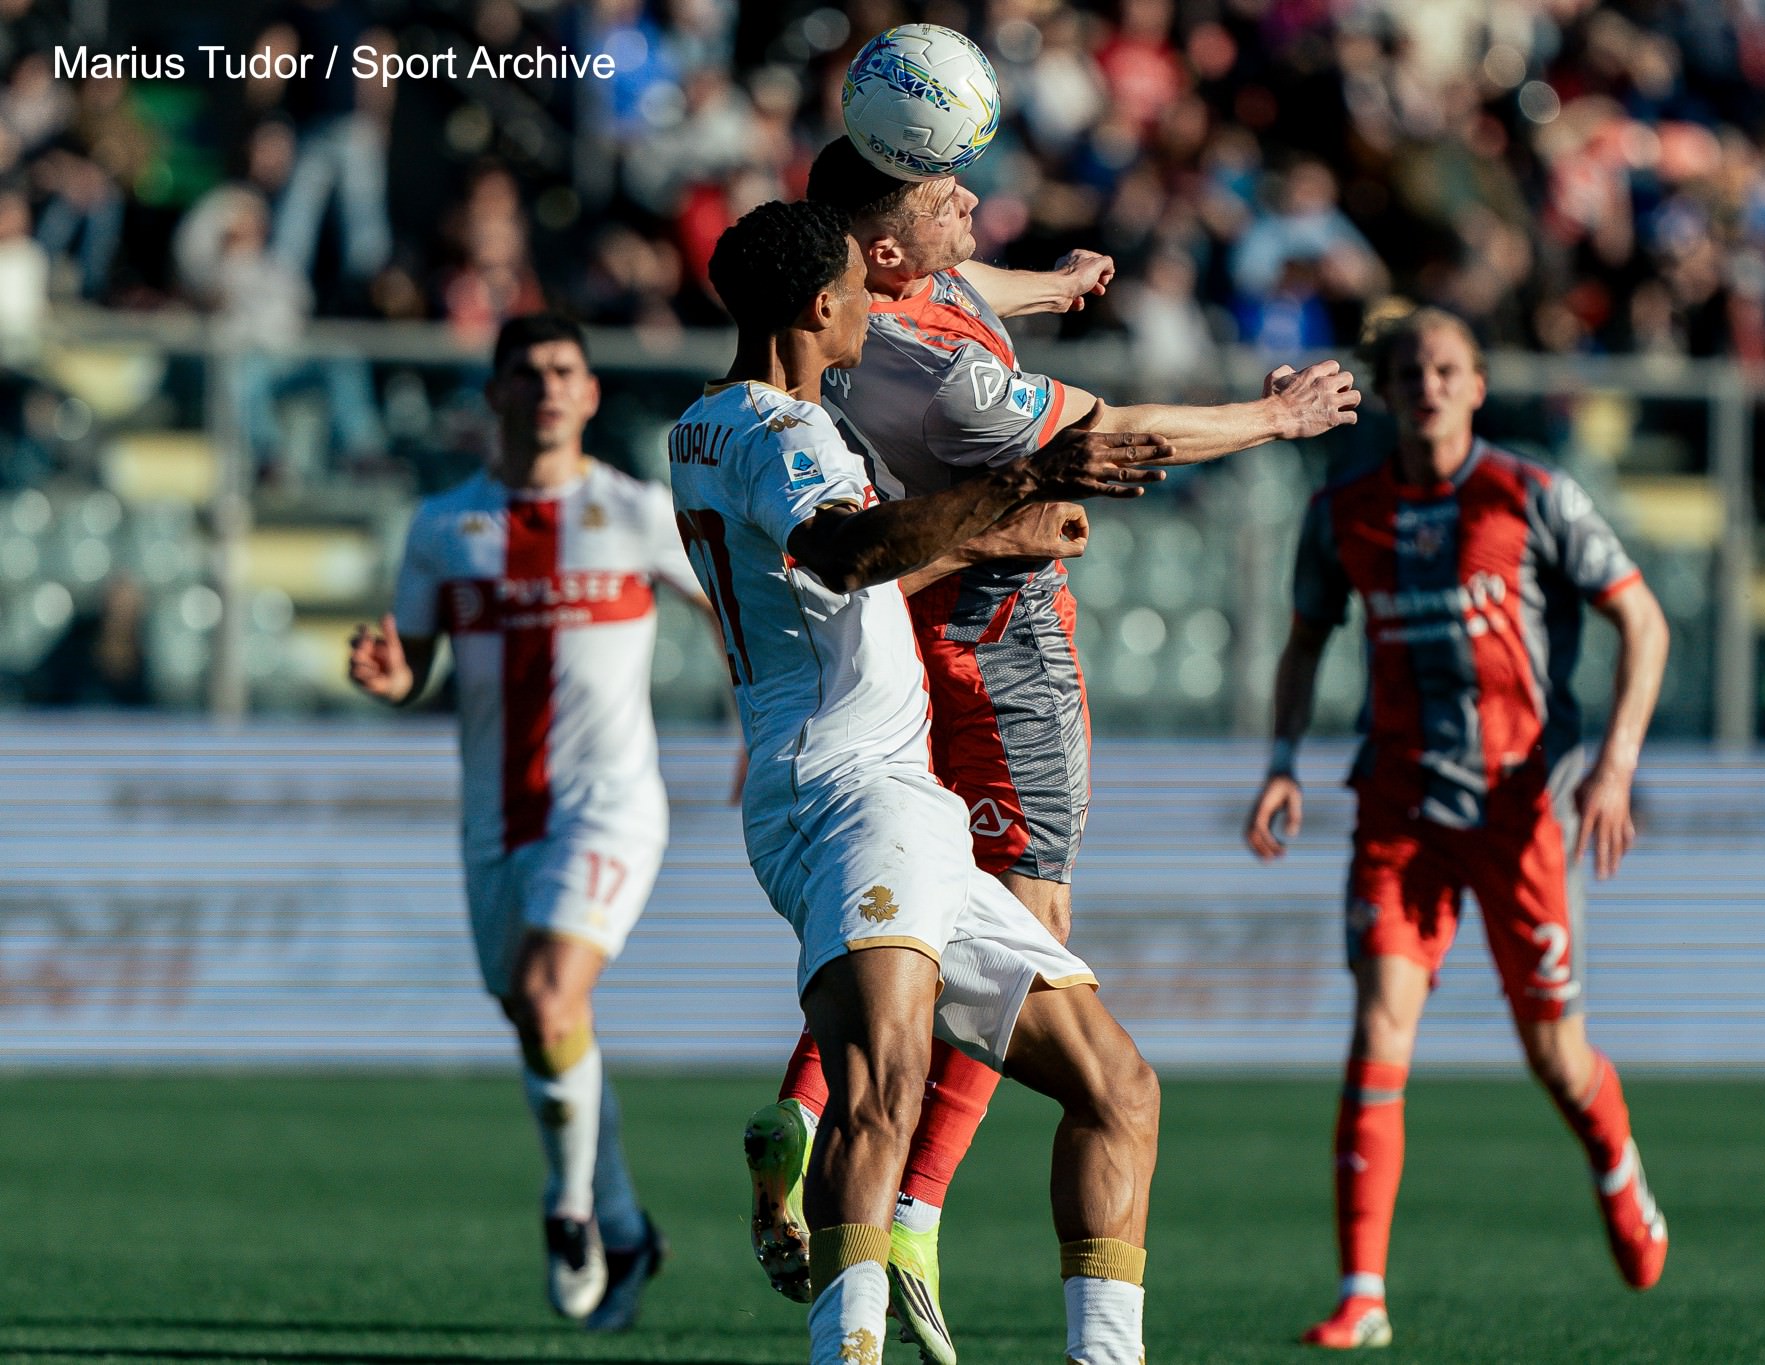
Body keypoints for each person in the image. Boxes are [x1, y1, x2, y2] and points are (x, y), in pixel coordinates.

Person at [746, 135, 1361, 1364]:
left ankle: (806, 1109)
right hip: (1005, 648)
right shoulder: (944, 377)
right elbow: (1122, 433)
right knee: (1034, 934)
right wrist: (1275, 417)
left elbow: (970, 287)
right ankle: (912, 1212)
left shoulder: (870, 323)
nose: (968, 200)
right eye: (941, 195)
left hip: (901, 648)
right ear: (880, 254)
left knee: (907, 922)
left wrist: (1057, 285)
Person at [673, 197, 1166, 1365]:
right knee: (882, 1088)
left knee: (1116, 1087)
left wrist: (986, 542)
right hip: (848, 798)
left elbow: (835, 573)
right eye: (858, 289)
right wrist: (1024, 476)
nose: (874, 310)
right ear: (818, 306)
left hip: (897, 806)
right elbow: (845, 551)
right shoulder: (787, 437)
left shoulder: (708, 425)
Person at [1242, 304, 1673, 1350]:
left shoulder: (1530, 495)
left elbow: (1641, 619)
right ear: (1385, 392)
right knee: (1377, 1033)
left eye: (1446, 369)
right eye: (1409, 371)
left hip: (1518, 813)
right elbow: (1303, 643)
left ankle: (1616, 1167)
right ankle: (1361, 1294)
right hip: (1396, 809)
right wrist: (1282, 762)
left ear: (1476, 385)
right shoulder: (1343, 511)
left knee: (1554, 1056)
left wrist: (1611, 768)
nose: (1427, 386)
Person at [346, 313, 707, 1333]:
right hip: (496, 819)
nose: (548, 387)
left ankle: (569, 1209)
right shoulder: (442, 527)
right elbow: (413, 664)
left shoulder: (635, 513)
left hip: (610, 807)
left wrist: (761, 725)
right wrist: (392, 679)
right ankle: (626, 1224)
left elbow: (735, 616)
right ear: (495, 395)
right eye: (527, 373)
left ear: (590, 395)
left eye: (565, 372)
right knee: (544, 1026)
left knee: (551, 999)